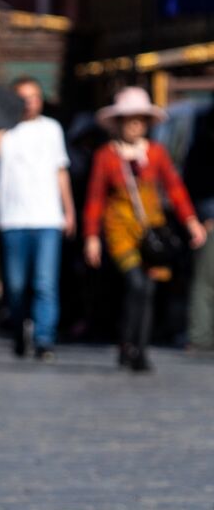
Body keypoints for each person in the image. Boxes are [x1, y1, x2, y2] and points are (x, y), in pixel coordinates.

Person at [82, 87, 205, 372]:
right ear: (120, 122)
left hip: (151, 230)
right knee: (135, 283)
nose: (136, 125)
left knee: (148, 290)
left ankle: (140, 347)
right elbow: (95, 198)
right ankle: (128, 342)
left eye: (140, 119)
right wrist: (91, 237)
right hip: (119, 229)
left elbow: (175, 189)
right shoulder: (107, 156)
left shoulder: (156, 154)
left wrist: (191, 222)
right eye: (130, 119)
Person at [0, 77, 75, 361]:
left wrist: (68, 209)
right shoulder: (6, 131)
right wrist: (3, 121)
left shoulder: (52, 129)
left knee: (45, 282)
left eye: (34, 96)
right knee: (15, 285)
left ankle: (44, 338)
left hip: (47, 217)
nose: (29, 102)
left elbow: (61, 171)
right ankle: (18, 330)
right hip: (13, 218)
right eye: (23, 97)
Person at [182, 109, 214, 351]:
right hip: (209, 218)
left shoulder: (201, 139)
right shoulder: (204, 145)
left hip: (207, 215)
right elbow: (194, 182)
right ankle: (201, 335)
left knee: (205, 281)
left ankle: (200, 335)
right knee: (205, 280)